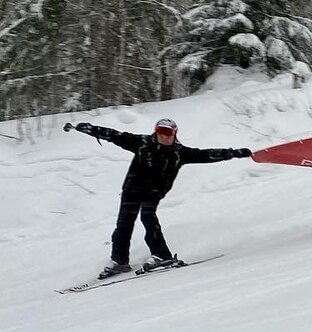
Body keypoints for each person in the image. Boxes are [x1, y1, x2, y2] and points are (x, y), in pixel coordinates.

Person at [65, 118, 253, 279]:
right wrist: (89, 129)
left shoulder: (180, 153)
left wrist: (234, 153)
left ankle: (162, 255)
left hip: (153, 192)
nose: (164, 136)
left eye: (168, 132)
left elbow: (206, 154)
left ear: (175, 134)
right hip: (132, 189)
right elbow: (115, 135)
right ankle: (119, 260)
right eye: (161, 131)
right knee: (123, 225)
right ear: (156, 131)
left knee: (147, 217)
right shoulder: (142, 143)